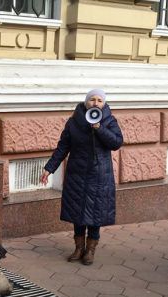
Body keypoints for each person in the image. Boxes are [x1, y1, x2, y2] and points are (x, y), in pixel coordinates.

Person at [40, 89, 123, 265]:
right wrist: (49, 168)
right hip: (77, 173)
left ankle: (90, 250)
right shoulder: (74, 122)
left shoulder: (109, 120)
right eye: (92, 99)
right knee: (77, 212)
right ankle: (78, 248)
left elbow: (116, 143)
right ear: (86, 102)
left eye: (99, 100)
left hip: (99, 175)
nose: (95, 103)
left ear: (104, 103)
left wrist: (99, 129)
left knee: (95, 213)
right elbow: (63, 147)